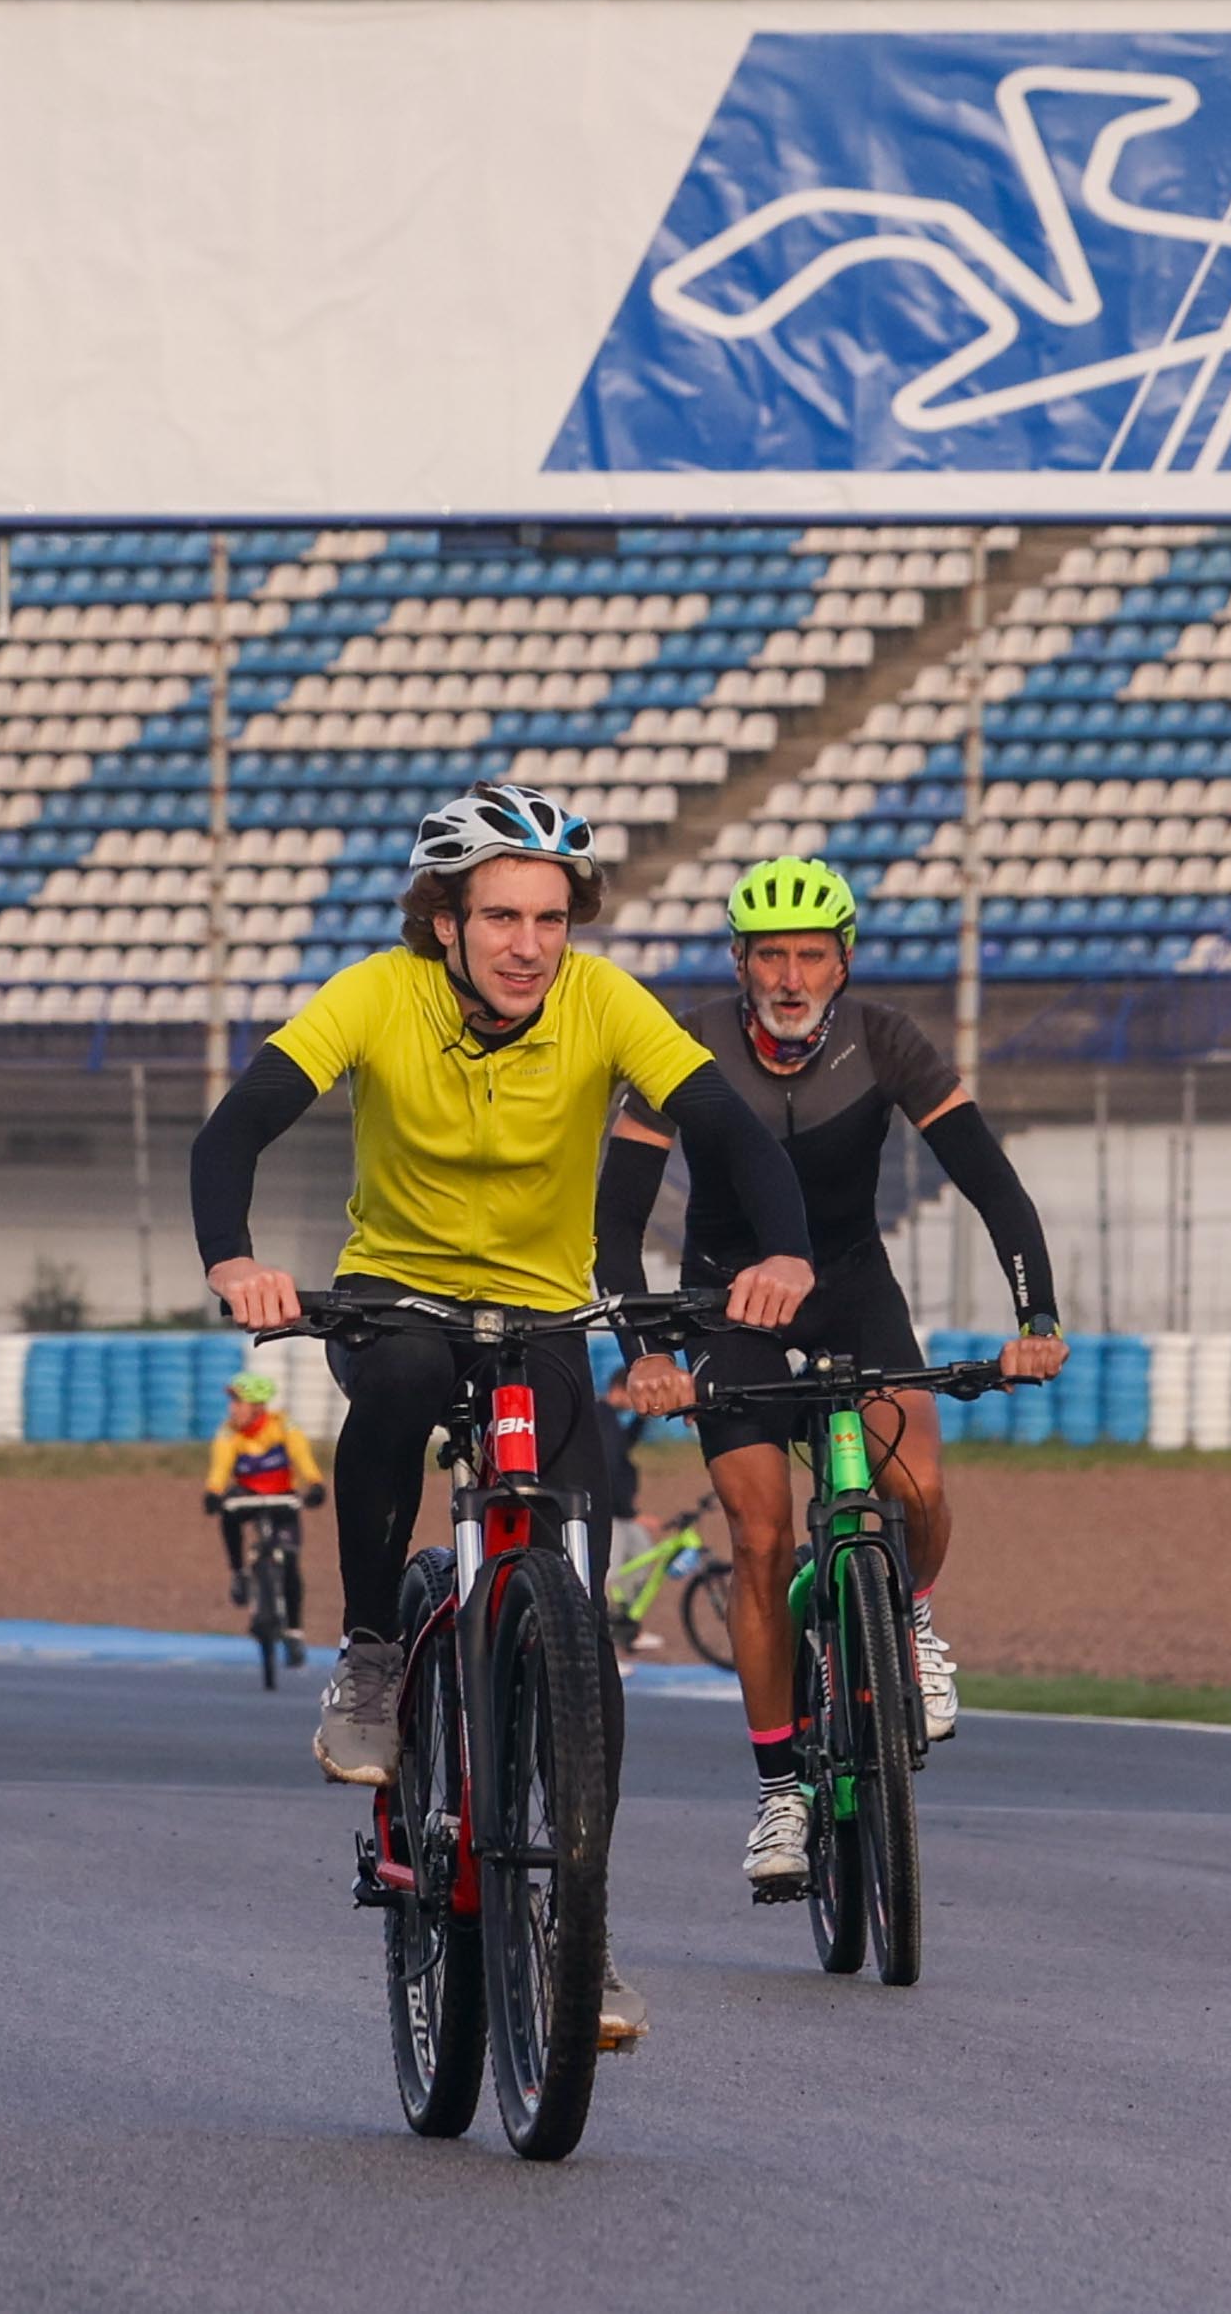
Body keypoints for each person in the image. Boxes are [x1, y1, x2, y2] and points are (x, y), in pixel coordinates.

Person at [191, 779, 816, 2053]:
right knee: (411, 1378)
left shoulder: (600, 1001)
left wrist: (790, 1252)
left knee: (580, 1640)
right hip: (396, 1295)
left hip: (542, 1313)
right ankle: (371, 1659)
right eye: (501, 916)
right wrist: (232, 1257)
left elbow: (726, 1129)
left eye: (550, 916)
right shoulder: (375, 993)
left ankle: (579, 1928)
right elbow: (239, 1123)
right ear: (444, 923)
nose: (531, 942)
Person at [596, 854, 1067, 1900]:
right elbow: (616, 1220)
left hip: (853, 1289)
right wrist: (646, 1354)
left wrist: (1035, 1316)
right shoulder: (689, 1045)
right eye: (772, 953)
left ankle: (913, 1623)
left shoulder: (886, 1039)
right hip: (727, 1304)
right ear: (741, 960)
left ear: (842, 960)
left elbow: (990, 1180)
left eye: (812, 952)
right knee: (759, 1538)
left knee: (918, 1488)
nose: (792, 972)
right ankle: (779, 1791)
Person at [197, 1369, 325, 1643]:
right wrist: (213, 1492)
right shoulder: (228, 1433)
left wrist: (314, 1484)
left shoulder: (283, 1427)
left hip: (282, 1496)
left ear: (256, 1406)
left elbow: (302, 1459)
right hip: (247, 1495)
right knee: (228, 1514)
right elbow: (220, 1469)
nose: (232, 1409)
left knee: (290, 1561)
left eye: (237, 1402)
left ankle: (294, 1630)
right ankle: (239, 1572)